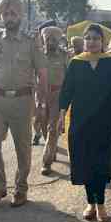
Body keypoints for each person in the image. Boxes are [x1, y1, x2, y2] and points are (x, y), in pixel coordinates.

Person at [0, 0, 47, 209]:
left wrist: (41, 104)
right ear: (1, 17)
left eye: (13, 14)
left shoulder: (30, 42)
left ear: (21, 15)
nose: (9, 18)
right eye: (5, 14)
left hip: (22, 101)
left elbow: (43, 73)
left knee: (23, 148)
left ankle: (21, 188)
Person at [59, 24, 111, 222]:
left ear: (103, 42)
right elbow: (67, 91)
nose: (92, 42)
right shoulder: (76, 62)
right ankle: (90, 203)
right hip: (80, 121)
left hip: (104, 121)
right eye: (88, 38)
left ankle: (101, 204)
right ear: (84, 41)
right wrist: (61, 116)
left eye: (96, 38)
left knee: (100, 164)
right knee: (86, 162)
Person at [40, 26, 67, 176]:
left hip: (58, 94)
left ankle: (46, 162)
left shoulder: (63, 56)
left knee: (52, 128)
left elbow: (70, 76)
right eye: (48, 39)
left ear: (58, 40)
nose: (51, 42)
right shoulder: (38, 55)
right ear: (44, 40)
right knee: (42, 126)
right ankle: (52, 147)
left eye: (54, 40)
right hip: (41, 95)